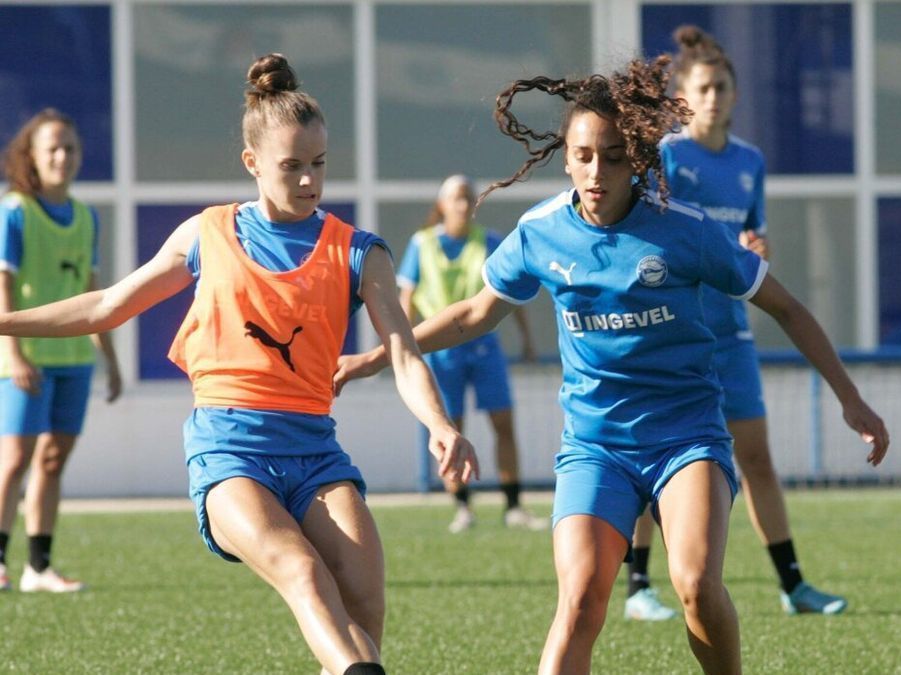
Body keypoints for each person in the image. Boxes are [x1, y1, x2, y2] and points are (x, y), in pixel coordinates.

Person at [337, 55, 888, 674]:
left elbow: (787, 308)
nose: (598, 171)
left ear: (639, 160)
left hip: (688, 439)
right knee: (579, 603)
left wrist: (850, 397)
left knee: (696, 586)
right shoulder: (540, 232)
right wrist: (376, 357)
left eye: (615, 156)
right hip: (596, 446)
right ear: (566, 158)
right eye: (585, 155)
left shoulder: (686, 231)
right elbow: (472, 313)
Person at [0, 55, 476, 675]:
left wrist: (440, 424)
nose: (309, 181)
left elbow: (406, 356)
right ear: (253, 164)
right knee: (302, 570)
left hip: (316, 454)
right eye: (292, 167)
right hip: (229, 452)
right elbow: (109, 305)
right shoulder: (207, 233)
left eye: (320, 164)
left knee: (362, 598)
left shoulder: (362, 252)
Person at [623, 25, 853, 621]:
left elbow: (752, 237)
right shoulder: (668, 157)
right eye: (703, 88)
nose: (714, 97)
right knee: (657, 457)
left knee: (757, 458)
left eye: (722, 87)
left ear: (735, 93)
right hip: (672, 332)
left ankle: (795, 584)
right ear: (685, 95)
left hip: (730, 330)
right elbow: (652, 236)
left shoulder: (750, 161)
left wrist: (758, 246)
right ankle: (639, 588)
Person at [0, 108, 123, 593]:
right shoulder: (15, 212)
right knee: (14, 460)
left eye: (70, 147)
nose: (62, 157)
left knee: (53, 461)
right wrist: (14, 355)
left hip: (74, 362)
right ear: (31, 155)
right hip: (25, 361)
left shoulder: (86, 217)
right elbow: (3, 288)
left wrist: (109, 360)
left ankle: (38, 567)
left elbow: (95, 293)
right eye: (51, 147)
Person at [395, 174, 546, 533]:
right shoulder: (422, 244)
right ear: (442, 205)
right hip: (441, 351)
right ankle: (462, 506)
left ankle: (513, 505)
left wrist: (525, 338)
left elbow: (511, 294)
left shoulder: (489, 241)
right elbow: (406, 301)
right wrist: (402, 345)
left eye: (470, 198)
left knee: (503, 423)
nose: (464, 204)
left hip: (483, 346)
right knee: (450, 427)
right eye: (457, 198)